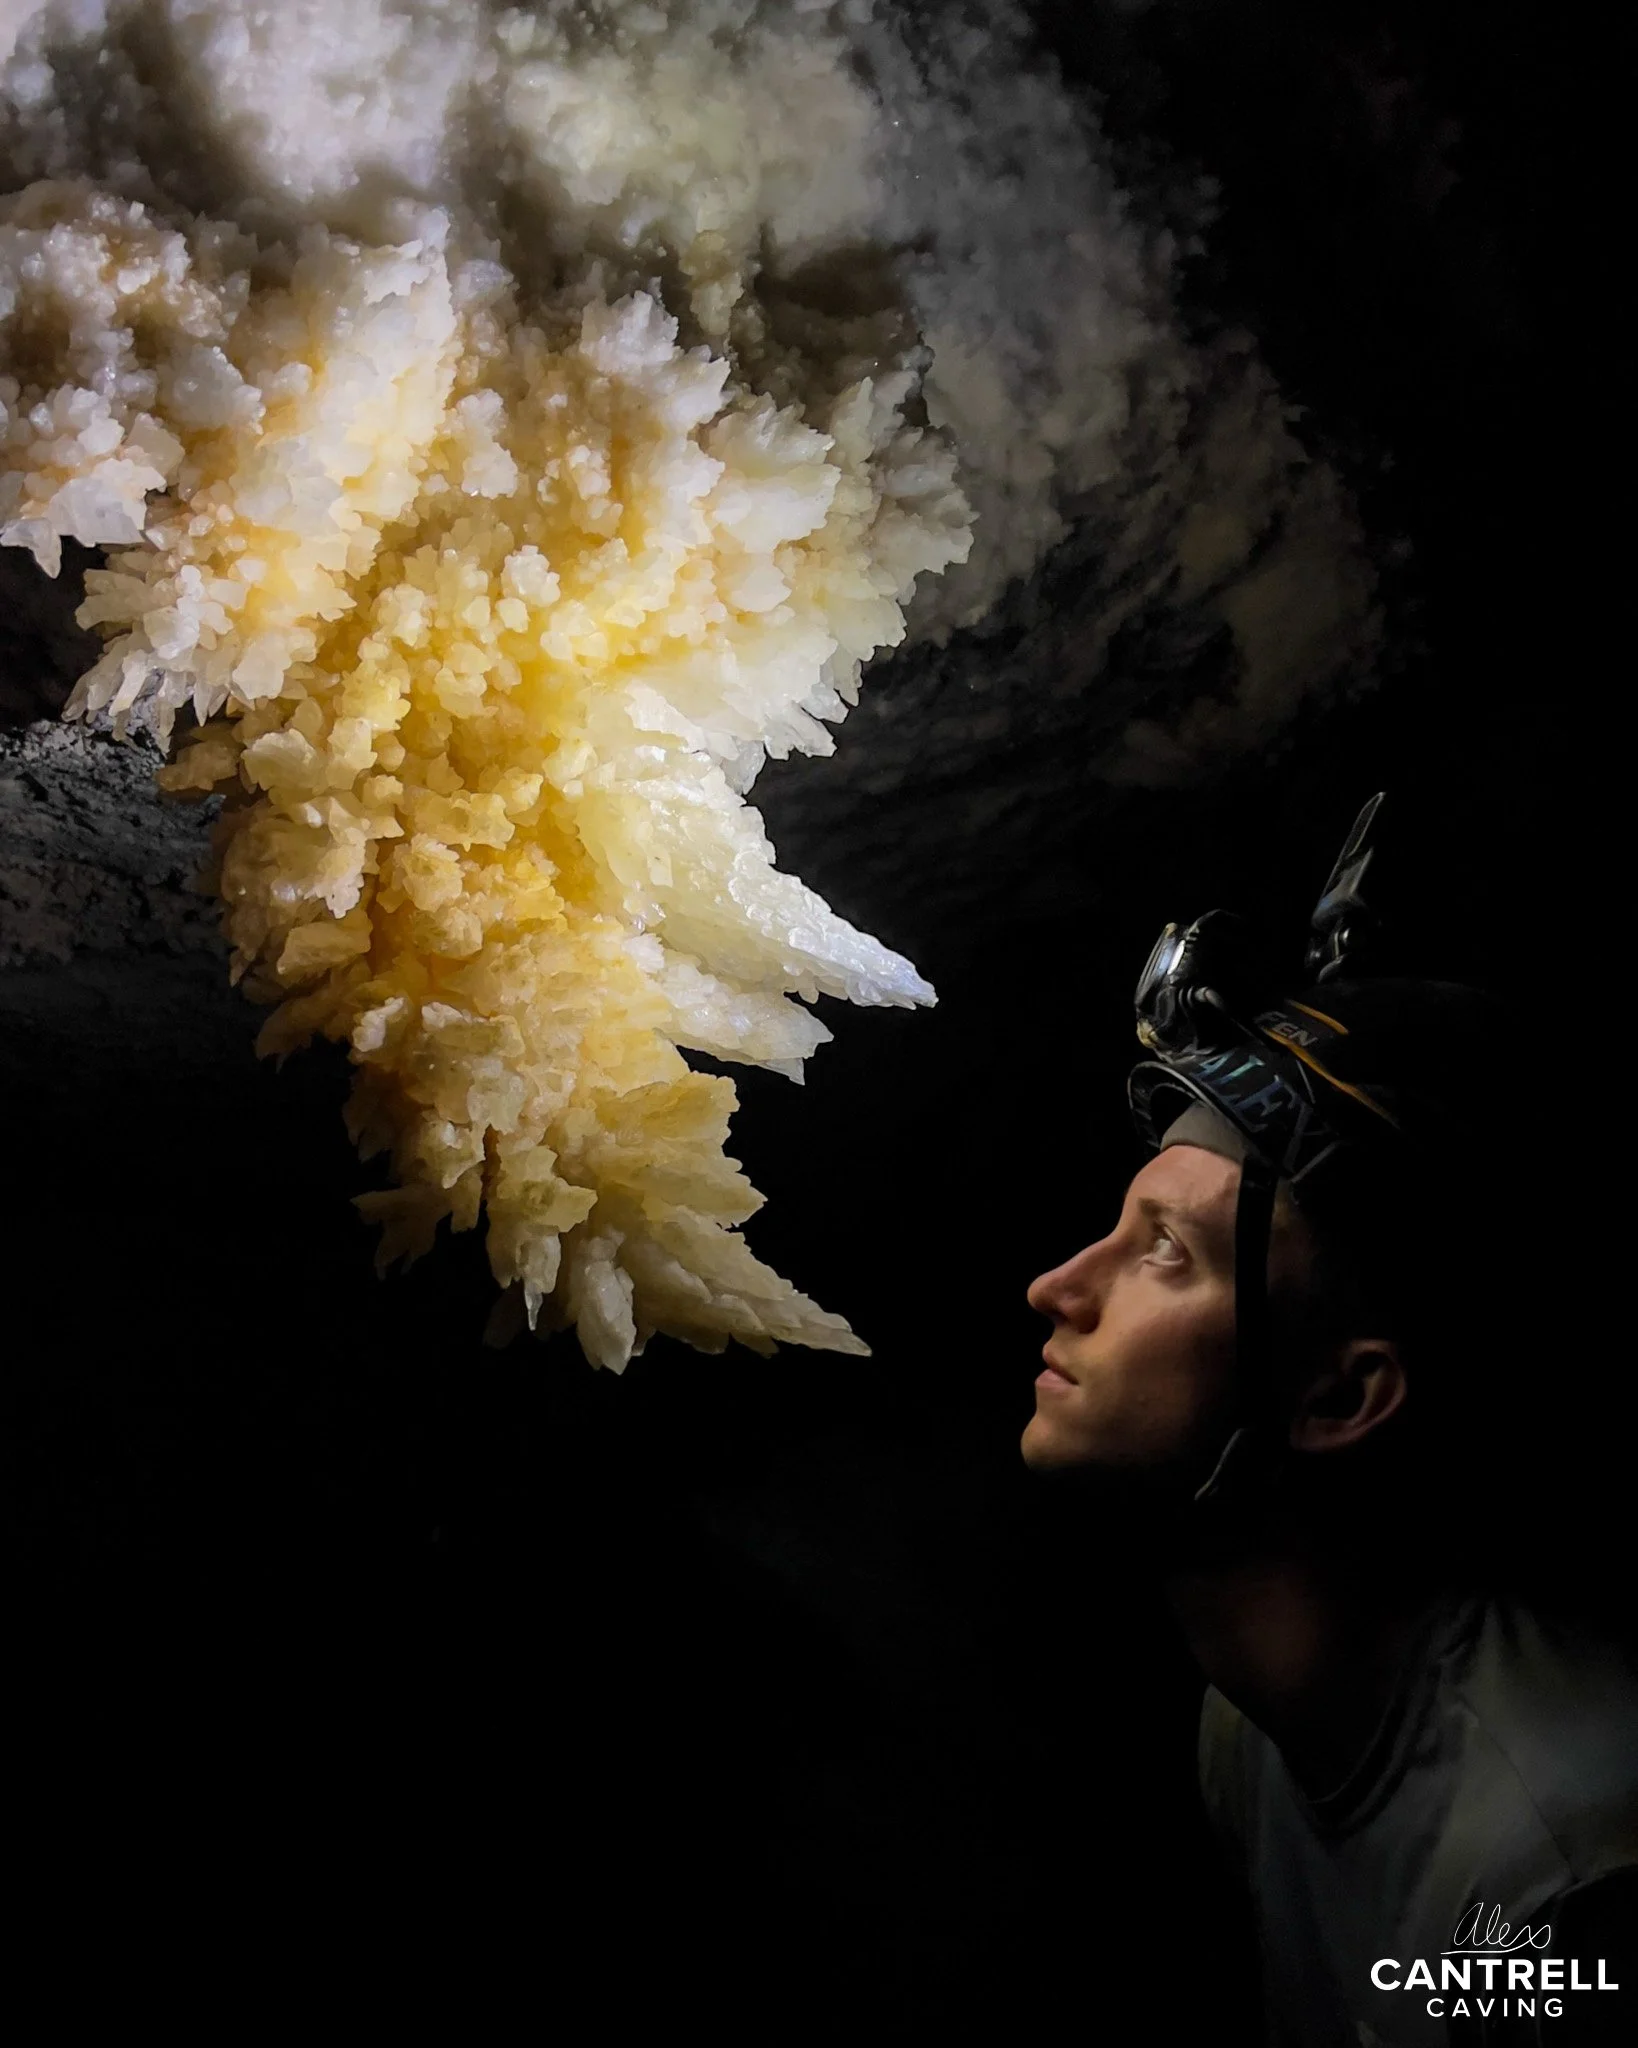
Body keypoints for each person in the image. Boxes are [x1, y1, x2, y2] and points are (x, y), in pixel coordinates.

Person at [1020, 809, 1638, 2047]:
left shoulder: (1559, 1890)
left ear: (1344, 1397)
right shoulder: (1254, 1724)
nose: (1057, 1286)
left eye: (1165, 1254)